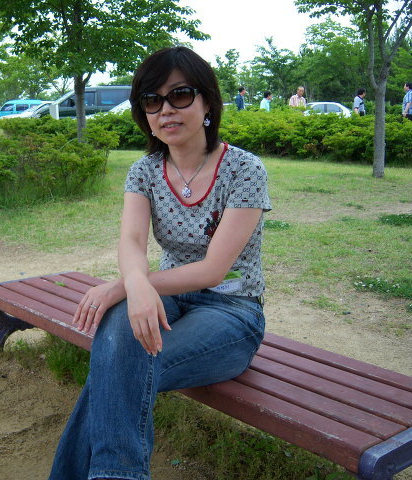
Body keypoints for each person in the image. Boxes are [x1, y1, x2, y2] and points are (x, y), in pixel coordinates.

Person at [48, 46, 271, 480]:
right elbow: (132, 240)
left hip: (231, 311)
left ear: (208, 103)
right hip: (165, 298)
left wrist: (125, 285)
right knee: (119, 346)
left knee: (115, 370)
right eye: (152, 100)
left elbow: (213, 270)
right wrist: (136, 283)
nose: (165, 109)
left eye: (179, 95)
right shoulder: (145, 171)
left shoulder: (244, 170)